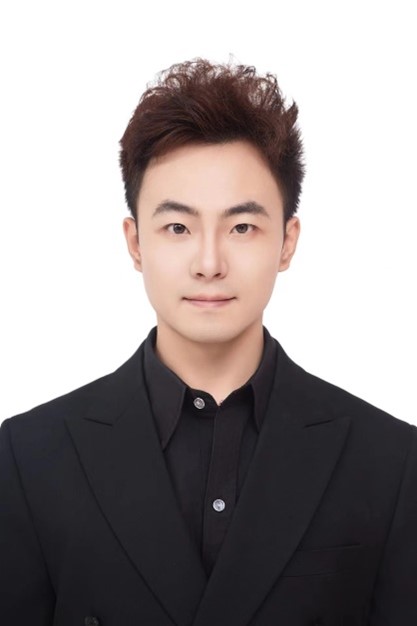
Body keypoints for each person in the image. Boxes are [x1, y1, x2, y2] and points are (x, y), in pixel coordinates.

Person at [1, 58, 416, 626]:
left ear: (287, 242)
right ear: (136, 243)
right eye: (178, 227)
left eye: (242, 227)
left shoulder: (389, 462)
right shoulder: (30, 457)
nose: (209, 262)